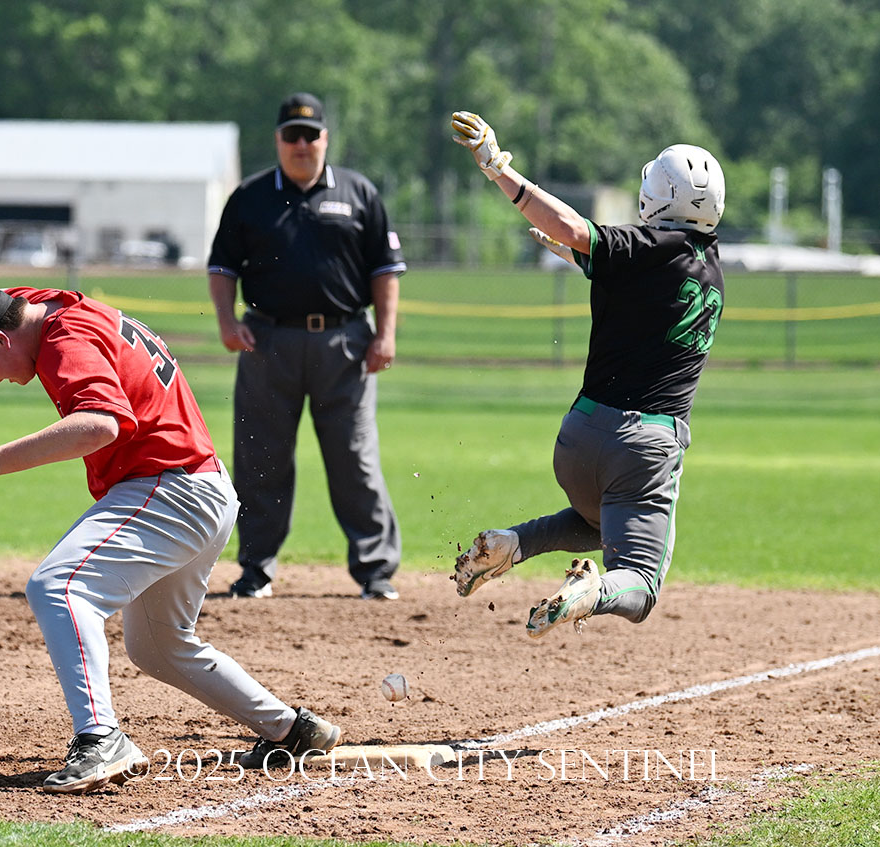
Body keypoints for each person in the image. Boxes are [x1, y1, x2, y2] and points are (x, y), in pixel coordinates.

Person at [0, 285, 341, 793]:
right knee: (159, 646)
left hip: (169, 490)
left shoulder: (65, 341)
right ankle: (290, 730)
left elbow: (101, 424)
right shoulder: (44, 306)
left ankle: (101, 738)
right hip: (202, 489)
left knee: (58, 587)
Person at [448, 110, 726, 638]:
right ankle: (591, 592)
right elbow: (634, 268)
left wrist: (497, 167)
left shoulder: (641, 249)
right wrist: (580, 251)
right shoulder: (710, 265)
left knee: (601, 523)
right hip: (645, 446)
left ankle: (513, 543)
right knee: (640, 584)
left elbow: (579, 232)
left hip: (579, 438)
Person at [207, 91, 407, 601]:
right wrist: (227, 322)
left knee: (354, 458)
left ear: (325, 138)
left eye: (310, 135)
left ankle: (375, 571)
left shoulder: (358, 193)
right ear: (278, 140)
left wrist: (386, 333)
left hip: (345, 342)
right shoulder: (250, 197)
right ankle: (256, 569)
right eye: (292, 135)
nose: (301, 144)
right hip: (267, 341)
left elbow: (385, 271)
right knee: (261, 459)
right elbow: (222, 267)